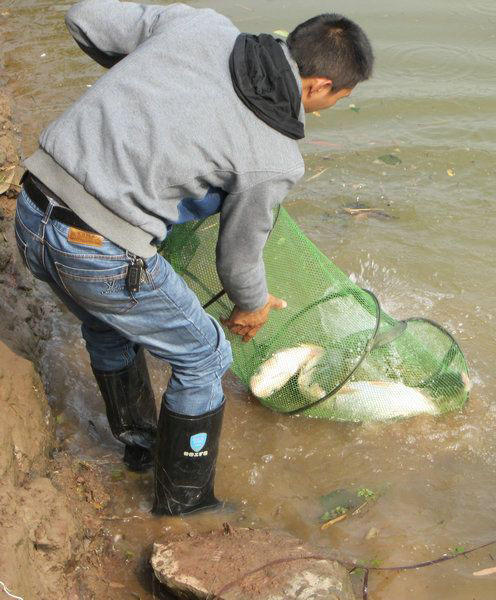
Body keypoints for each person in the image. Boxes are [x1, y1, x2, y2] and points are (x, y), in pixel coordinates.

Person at [14, 0, 374, 516]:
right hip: (97, 251)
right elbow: (239, 257)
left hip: (31, 211)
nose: (333, 104)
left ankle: (140, 447)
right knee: (206, 355)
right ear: (317, 86)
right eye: (341, 96)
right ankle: (184, 503)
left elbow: (84, 16)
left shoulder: (199, 25)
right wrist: (251, 308)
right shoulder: (273, 156)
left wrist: (146, 90)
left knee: (106, 325)